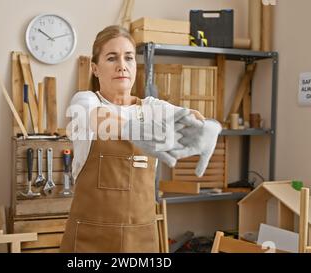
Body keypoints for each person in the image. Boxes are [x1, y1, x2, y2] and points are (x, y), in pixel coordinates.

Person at [60, 25, 219, 253]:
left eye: (129, 58)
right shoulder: (85, 101)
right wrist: (135, 129)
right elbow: (97, 119)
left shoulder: (154, 108)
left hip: (141, 239)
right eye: (112, 58)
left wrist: (209, 128)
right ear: (95, 68)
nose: (122, 66)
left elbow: (190, 118)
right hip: (90, 240)